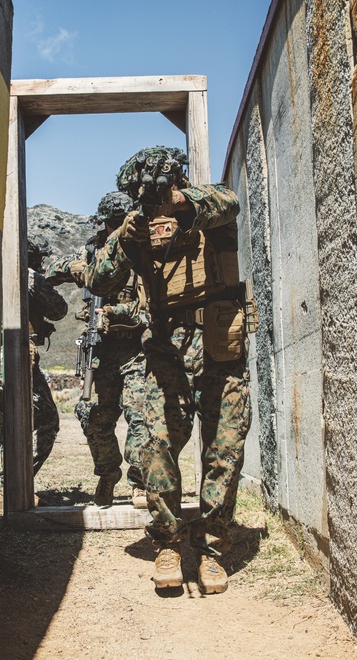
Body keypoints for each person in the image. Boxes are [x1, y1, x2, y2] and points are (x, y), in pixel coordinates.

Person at [86, 147, 252, 594]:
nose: (156, 197)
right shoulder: (135, 228)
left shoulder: (208, 200)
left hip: (219, 346)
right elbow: (99, 282)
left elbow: (229, 203)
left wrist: (179, 204)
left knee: (224, 451)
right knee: (156, 446)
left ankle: (213, 548)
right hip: (164, 352)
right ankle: (168, 543)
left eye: (161, 187)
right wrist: (127, 235)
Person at [45, 192, 150, 508]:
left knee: (141, 413)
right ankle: (107, 473)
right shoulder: (93, 249)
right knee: (91, 415)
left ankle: (140, 482)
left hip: (136, 348)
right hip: (100, 350)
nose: (114, 230)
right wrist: (78, 266)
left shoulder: (142, 254)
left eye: (119, 224)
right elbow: (51, 269)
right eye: (110, 224)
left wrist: (115, 314)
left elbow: (150, 308)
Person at [27, 237, 68, 477]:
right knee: (46, 420)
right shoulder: (29, 275)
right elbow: (59, 309)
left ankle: (5, 485)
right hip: (18, 355)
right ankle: (8, 484)